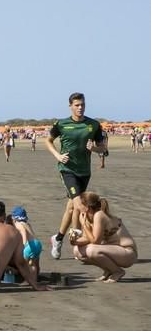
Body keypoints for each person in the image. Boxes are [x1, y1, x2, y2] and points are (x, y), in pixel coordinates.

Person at [45, 92, 106, 260]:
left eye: (83, 105)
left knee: (71, 207)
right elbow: (48, 141)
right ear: (70, 106)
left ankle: (57, 238)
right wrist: (58, 156)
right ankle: (77, 244)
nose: (80, 108)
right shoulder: (62, 124)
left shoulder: (93, 125)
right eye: (77, 105)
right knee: (79, 205)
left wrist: (94, 148)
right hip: (67, 169)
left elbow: (103, 148)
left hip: (84, 172)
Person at [71, 192, 136, 282]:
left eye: (80, 204)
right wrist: (75, 241)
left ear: (87, 207)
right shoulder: (87, 216)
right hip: (114, 251)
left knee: (92, 250)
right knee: (77, 251)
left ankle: (117, 271)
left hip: (127, 252)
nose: (77, 206)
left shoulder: (99, 214)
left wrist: (83, 225)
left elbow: (95, 241)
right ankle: (108, 270)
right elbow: (87, 238)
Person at [8, 206, 42, 278]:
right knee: (32, 264)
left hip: (29, 246)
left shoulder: (18, 225)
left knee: (25, 265)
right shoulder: (27, 224)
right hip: (37, 244)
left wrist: (24, 245)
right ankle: (35, 278)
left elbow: (24, 234)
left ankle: (27, 280)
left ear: (14, 219)